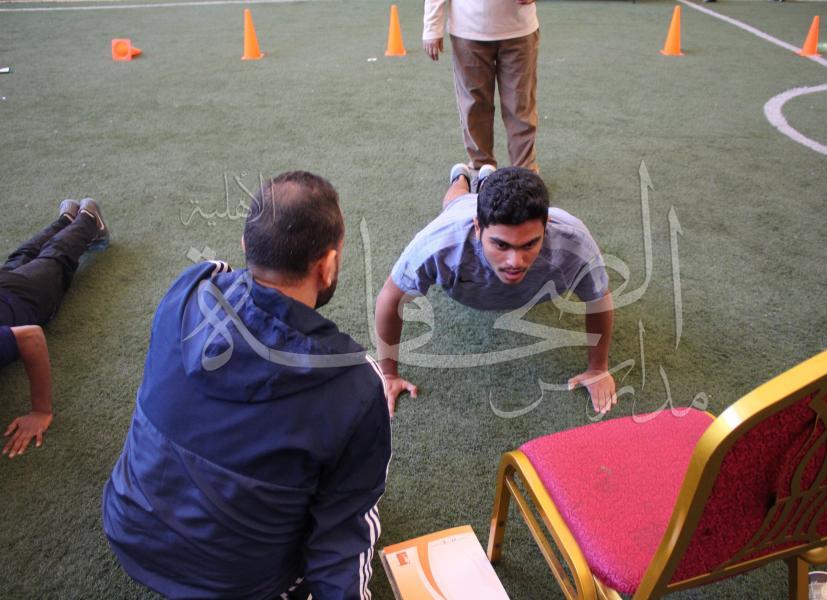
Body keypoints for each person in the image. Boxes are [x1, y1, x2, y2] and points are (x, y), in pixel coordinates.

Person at [102, 171, 391, 600]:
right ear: (327, 265)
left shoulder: (189, 288)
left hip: (126, 529)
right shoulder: (355, 384)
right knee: (353, 499)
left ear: (244, 245)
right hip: (235, 586)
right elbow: (341, 543)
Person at [375, 166, 615, 417]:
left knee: (477, 198)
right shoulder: (439, 243)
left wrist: (598, 368)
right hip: (461, 212)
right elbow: (390, 298)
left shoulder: (575, 242)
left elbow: (599, 297)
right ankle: (461, 176)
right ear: (478, 227)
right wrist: (388, 374)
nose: (515, 261)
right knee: (457, 201)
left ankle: (487, 178)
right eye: (501, 244)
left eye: (530, 244)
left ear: (547, 227)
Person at [1, 198, 109, 458]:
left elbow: (31, 337)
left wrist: (41, 411)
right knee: (25, 255)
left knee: (56, 256)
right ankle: (67, 219)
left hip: (25, 296)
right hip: (7, 288)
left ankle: (89, 218)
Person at [423, 0, 540, 173]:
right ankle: (481, 170)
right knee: (474, 106)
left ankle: (524, 173)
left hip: (520, 30)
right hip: (468, 30)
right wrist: (432, 27)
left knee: (520, 106)